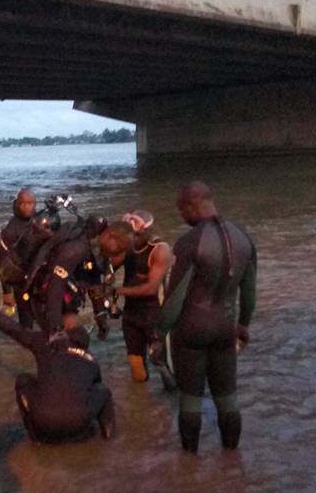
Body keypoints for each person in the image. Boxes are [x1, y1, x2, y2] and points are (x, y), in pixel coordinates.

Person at [155, 182, 257, 454]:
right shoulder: (243, 236)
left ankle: (189, 466)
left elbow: (175, 299)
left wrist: (158, 335)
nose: (181, 217)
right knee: (228, 399)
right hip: (226, 328)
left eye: (181, 210)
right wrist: (243, 325)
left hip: (191, 331)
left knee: (190, 401)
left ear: (191, 205)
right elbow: (249, 293)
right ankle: (232, 462)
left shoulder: (190, 242)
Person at [0, 296, 115, 443]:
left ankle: (35, 438)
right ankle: (108, 438)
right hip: (79, 421)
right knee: (103, 390)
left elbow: (10, 327)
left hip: (44, 420)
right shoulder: (91, 359)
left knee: (23, 379)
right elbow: (96, 392)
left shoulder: (44, 343)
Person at [99, 213, 173, 385]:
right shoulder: (128, 248)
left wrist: (116, 291)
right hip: (132, 315)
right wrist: (107, 273)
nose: (131, 240)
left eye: (136, 235)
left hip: (155, 314)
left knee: (162, 363)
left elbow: (151, 289)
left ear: (146, 230)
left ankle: (172, 403)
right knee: (136, 369)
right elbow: (108, 266)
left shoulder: (159, 249)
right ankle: (143, 406)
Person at [25, 207, 110, 338]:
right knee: (63, 343)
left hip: (62, 299)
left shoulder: (89, 249)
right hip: (46, 299)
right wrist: (56, 328)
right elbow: (55, 288)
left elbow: (94, 281)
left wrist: (101, 315)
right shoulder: (73, 250)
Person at [0, 188, 37, 327]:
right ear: (17, 204)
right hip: (21, 282)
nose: (27, 206)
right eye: (23, 203)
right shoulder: (10, 229)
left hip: (40, 279)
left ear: (35, 204)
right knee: (26, 323)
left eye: (30, 203)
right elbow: (3, 263)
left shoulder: (40, 221)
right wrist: (7, 292)